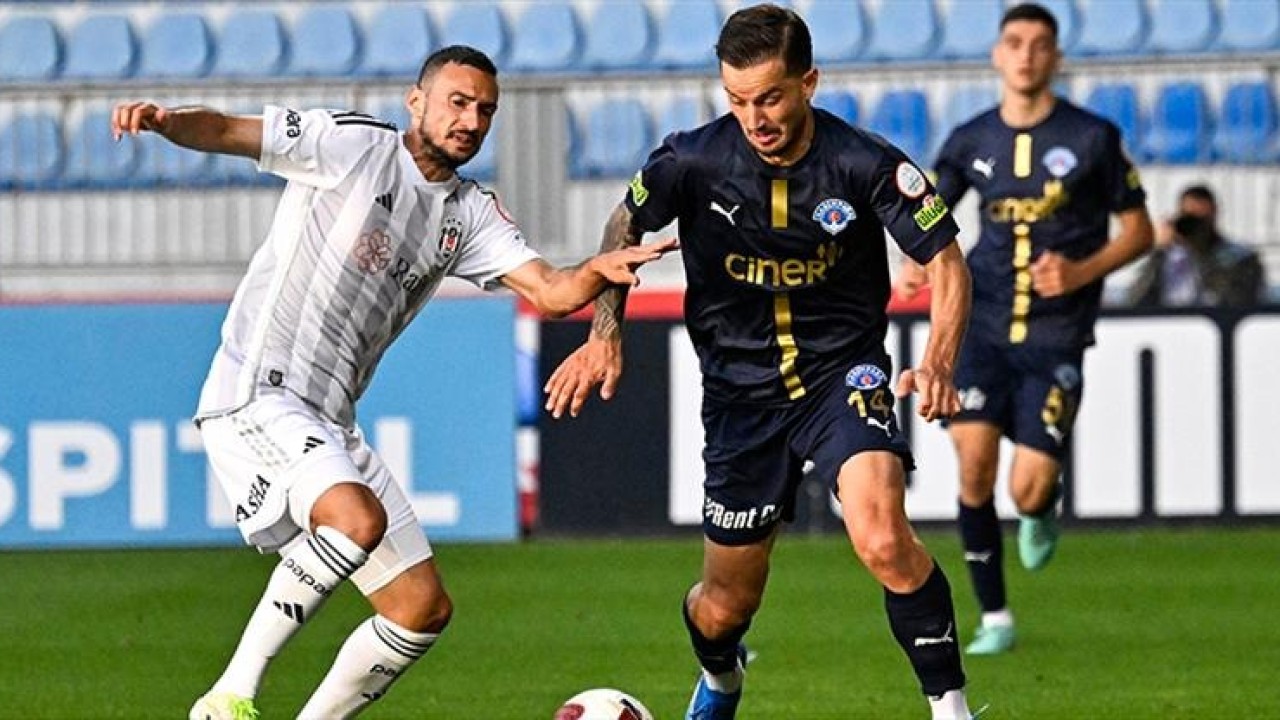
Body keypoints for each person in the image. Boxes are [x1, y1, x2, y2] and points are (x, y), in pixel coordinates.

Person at [112, 45, 674, 720]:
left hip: (328, 418)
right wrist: (166, 121)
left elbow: (551, 290)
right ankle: (228, 696)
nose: (471, 121)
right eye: (457, 103)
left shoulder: (467, 214)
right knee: (357, 520)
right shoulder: (350, 145)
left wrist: (596, 270)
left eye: (485, 111)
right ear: (417, 101)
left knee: (419, 607)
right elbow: (230, 130)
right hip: (258, 392)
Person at [545, 5, 978, 719]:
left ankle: (951, 709)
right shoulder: (692, 159)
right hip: (739, 397)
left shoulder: (866, 163)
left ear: (809, 82)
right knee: (723, 608)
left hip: (843, 376)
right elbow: (626, 221)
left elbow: (947, 261)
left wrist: (937, 361)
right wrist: (606, 329)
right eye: (737, 100)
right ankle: (721, 677)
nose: (755, 118)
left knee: (880, 536)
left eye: (770, 97)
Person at [896, 3, 1154, 656]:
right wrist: (916, 263)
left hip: (1055, 336)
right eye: (1015, 42)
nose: (1027, 54)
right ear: (997, 55)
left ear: (1056, 57)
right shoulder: (970, 138)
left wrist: (1081, 271)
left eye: (1040, 44)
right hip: (981, 328)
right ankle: (996, 618)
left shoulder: (1093, 137)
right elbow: (929, 215)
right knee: (974, 468)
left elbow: (1140, 232)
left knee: (1025, 486)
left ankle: (1041, 506)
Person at [1127, 184, 1265, 308]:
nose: (1195, 227)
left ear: (1214, 214)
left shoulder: (1239, 258)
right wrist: (1158, 252)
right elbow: (1135, 300)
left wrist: (1201, 251)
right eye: (1189, 218)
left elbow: (1233, 302)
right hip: (1169, 324)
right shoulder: (1166, 257)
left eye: (1201, 220)